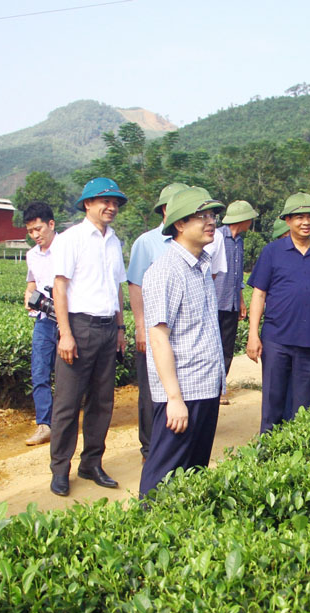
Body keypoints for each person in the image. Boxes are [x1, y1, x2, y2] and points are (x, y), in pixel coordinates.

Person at [128, 183, 226, 460]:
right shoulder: (166, 271)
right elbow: (158, 337)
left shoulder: (201, 267)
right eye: (202, 217)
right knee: (164, 475)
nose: (211, 223)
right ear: (180, 224)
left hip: (205, 386)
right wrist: (174, 398)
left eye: (212, 216)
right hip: (184, 391)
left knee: (193, 474)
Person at [47, 177, 129, 497]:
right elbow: (59, 287)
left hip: (108, 328)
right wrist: (65, 333)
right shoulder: (71, 239)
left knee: (102, 401)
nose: (111, 207)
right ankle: (60, 469)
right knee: (67, 403)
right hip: (79, 328)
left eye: (115, 203)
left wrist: (121, 329)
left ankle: (91, 462)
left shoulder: (114, 240)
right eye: (104, 202)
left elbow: (117, 288)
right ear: (87, 204)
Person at [246, 193, 310, 433]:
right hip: (277, 339)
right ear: (288, 220)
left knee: (304, 406)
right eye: (299, 217)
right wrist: (253, 335)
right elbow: (259, 295)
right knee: (273, 402)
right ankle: (267, 455)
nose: (306, 222)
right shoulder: (272, 251)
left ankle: (296, 457)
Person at [214, 200, 259, 405]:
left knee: (227, 348)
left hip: (230, 303)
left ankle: (221, 389)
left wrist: (240, 299)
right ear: (243, 219)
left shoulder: (239, 241)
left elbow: (237, 274)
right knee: (212, 348)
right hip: (214, 303)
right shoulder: (215, 237)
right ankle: (210, 388)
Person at [22, 202, 58, 446]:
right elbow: (31, 284)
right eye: (31, 231)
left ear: (51, 224)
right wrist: (29, 297)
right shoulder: (31, 255)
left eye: (38, 229)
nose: (35, 235)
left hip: (69, 320)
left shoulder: (68, 248)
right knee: (40, 372)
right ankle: (44, 424)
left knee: (69, 373)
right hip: (43, 321)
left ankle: (65, 420)